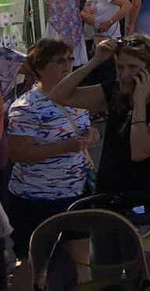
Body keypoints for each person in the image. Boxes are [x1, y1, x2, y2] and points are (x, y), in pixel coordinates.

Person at [49, 35, 150, 283]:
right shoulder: (115, 90)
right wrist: (95, 61)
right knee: (104, 277)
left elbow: (140, 151)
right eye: (120, 66)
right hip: (107, 198)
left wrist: (140, 102)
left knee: (139, 280)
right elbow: (59, 96)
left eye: (133, 68)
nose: (124, 74)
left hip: (145, 202)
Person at [7, 39, 95, 291]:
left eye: (69, 59)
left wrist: (90, 137)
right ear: (40, 68)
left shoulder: (77, 96)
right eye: (60, 61)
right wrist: (63, 147)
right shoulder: (26, 106)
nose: (68, 66)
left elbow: (89, 131)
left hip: (76, 193)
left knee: (82, 263)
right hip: (36, 199)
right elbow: (18, 153)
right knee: (34, 263)